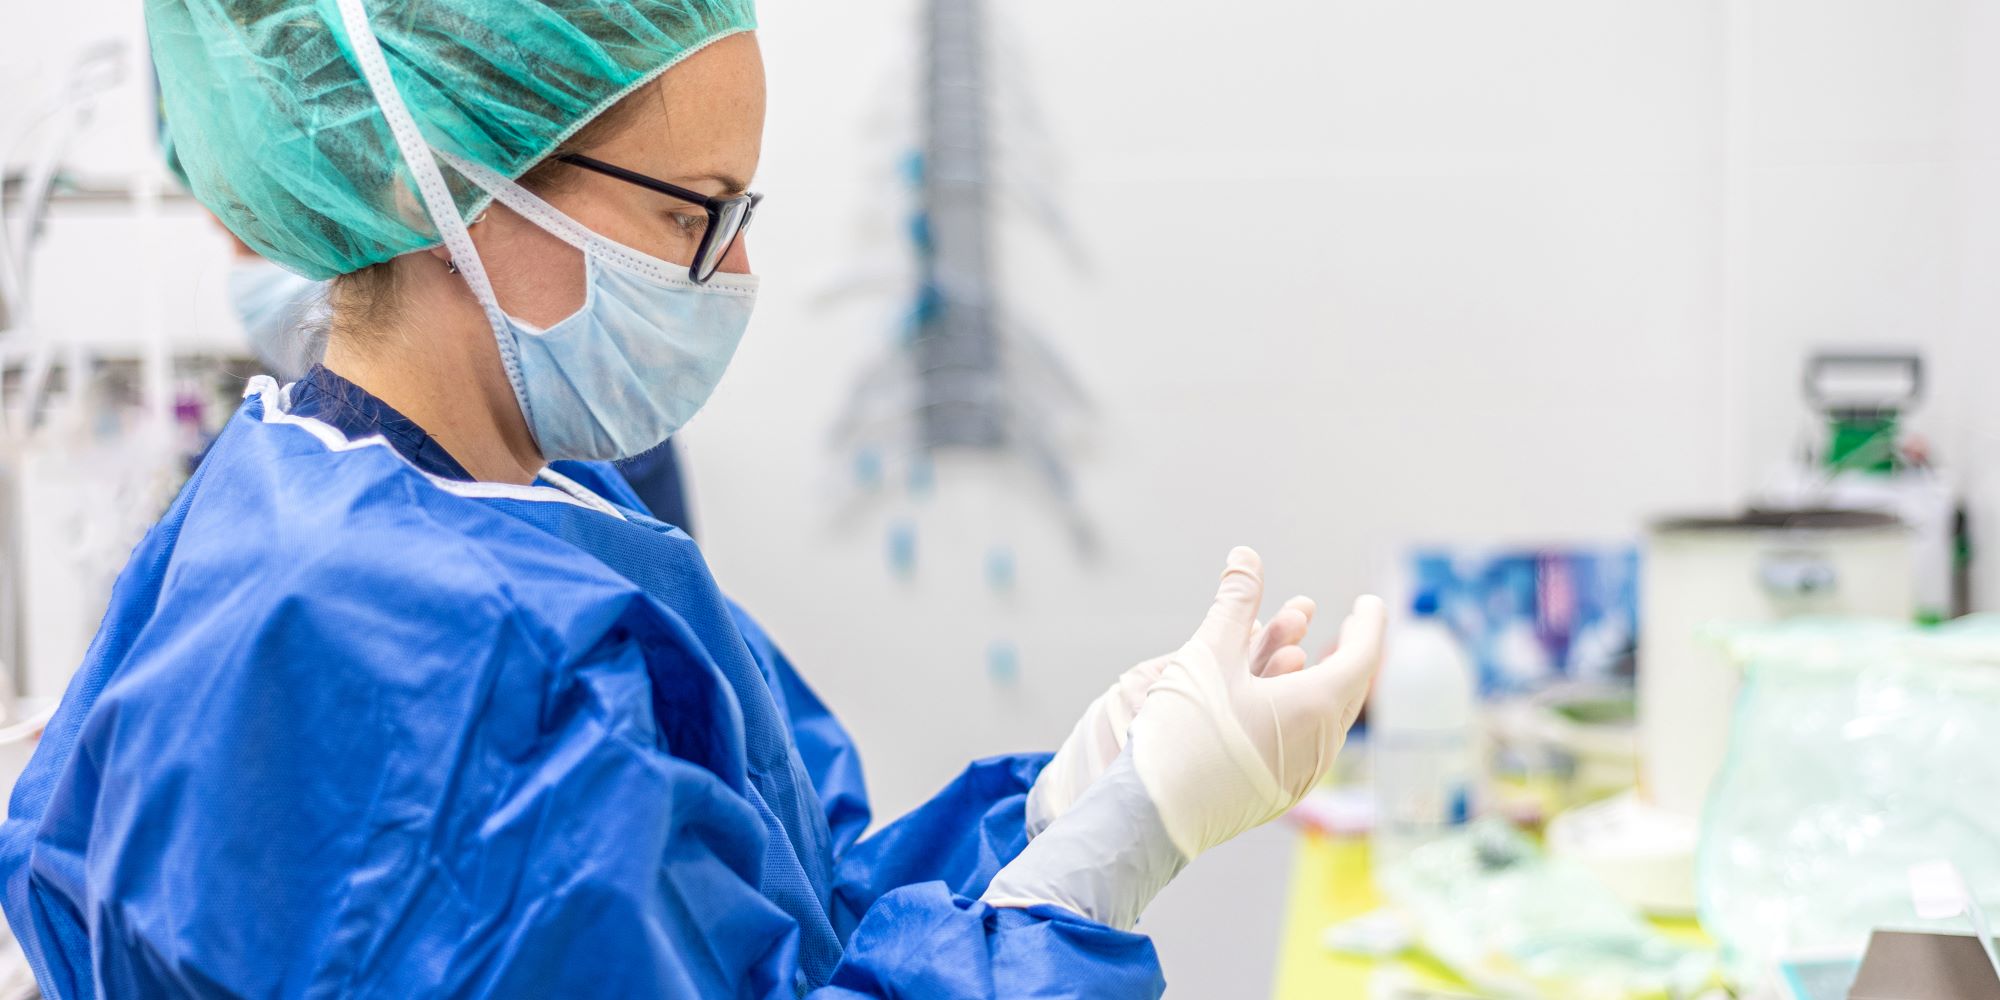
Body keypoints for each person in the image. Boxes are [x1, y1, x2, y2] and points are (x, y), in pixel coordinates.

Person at [0, 1, 1387, 996]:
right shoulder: (426, 647)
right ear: (456, 182)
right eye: (690, 213)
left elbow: (774, 899)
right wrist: (1112, 865)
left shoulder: (500, 510)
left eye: (742, 220)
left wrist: (1064, 806)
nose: (727, 279)